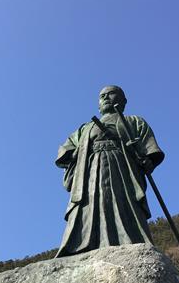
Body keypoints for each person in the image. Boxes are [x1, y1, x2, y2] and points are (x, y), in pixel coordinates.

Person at [55, 85, 164, 257]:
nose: (105, 97)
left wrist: (147, 160)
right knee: (88, 205)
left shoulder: (134, 121)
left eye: (111, 94)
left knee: (121, 201)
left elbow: (149, 149)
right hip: (89, 172)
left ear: (123, 101)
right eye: (102, 96)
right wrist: (77, 152)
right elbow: (65, 149)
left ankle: (130, 241)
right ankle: (83, 244)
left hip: (121, 167)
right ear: (98, 104)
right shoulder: (85, 128)